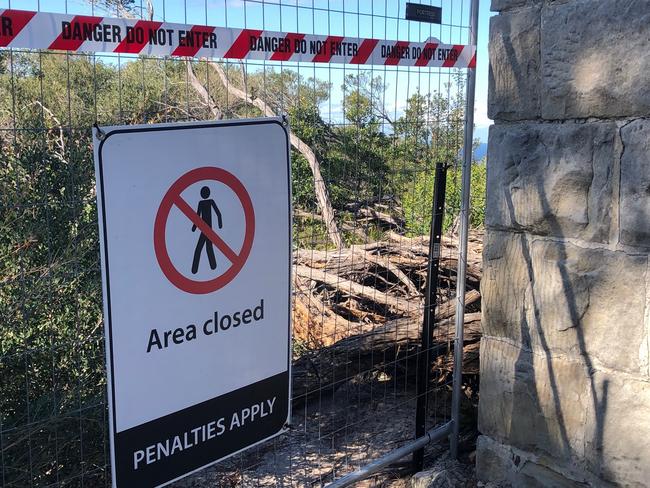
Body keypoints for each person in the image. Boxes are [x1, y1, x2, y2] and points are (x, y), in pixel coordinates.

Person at [191, 186, 223, 274]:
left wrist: (220, 224)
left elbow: (218, 213)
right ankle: (210, 266)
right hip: (205, 229)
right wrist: (194, 227)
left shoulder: (210, 202)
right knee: (205, 248)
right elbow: (198, 216)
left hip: (207, 229)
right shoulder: (201, 203)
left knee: (203, 248)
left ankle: (210, 267)